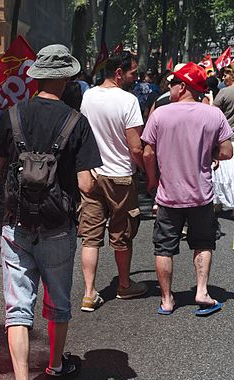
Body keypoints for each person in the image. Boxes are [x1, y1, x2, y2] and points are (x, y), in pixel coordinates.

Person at [0, 44, 102, 380]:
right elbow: (86, 185)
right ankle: (55, 366)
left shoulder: (12, 116)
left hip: (16, 226)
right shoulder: (77, 121)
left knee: (18, 308)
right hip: (58, 229)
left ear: (36, 77)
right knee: (57, 302)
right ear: (67, 77)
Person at [142, 62, 233, 316]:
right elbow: (227, 152)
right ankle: (202, 291)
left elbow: (148, 153)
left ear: (183, 87)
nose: (169, 87)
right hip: (201, 194)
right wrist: (209, 153)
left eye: (172, 83)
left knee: (163, 247)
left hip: (168, 194)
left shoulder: (160, 114)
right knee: (203, 243)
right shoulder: (213, 114)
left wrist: (152, 179)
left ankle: (167, 299)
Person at [78, 51, 147, 313]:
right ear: (119, 73)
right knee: (122, 234)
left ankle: (88, 293)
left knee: (90, 236)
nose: (135, 77)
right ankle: (125, 285)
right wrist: (148, 173)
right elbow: (136, 147)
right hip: (120, 176)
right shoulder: (128, 100)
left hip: (92, 175)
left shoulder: (88, 96)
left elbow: (84, 134)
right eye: (133, 73)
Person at [212, 66, 234, 214]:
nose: (224, 77)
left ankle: (218, 204)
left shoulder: (225, 92)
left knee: (222, 174)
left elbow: (213, 112)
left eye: (227, 74)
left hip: (227, 139)